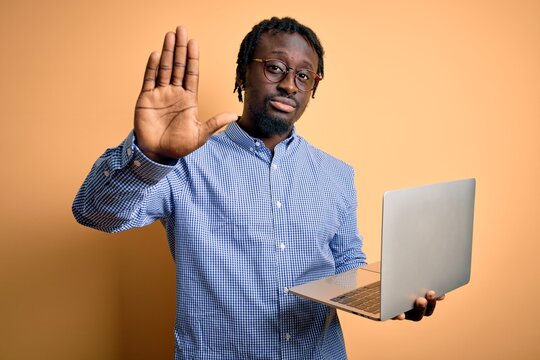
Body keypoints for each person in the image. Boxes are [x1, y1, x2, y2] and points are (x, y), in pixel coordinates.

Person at [73, 17, 444, 360]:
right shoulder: (184, 161)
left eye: (304, 75)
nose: (288, 84)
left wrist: (391, 297)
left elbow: (347, 264)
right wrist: (149, 153)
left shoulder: (337, 174)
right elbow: (94, 213)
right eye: (275, 67)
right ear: (243, 73)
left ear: (313, 87)